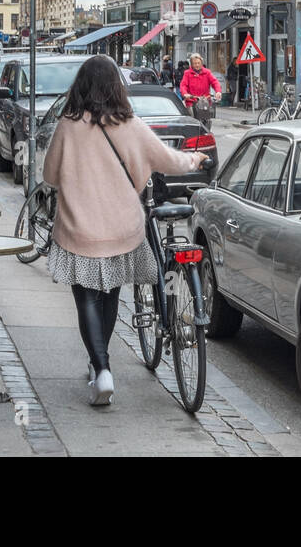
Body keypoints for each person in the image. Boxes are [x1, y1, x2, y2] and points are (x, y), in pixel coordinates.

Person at [41, 55, 207, 405]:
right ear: (117, 85)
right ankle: (101, 364)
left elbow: (49, 176)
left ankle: (101, 369)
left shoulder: (69, 124)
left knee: (86, 296)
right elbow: (168, 159)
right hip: (122, 230)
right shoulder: (129, 123)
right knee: (111, 295)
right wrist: (194, 160)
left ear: (80, 86)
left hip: (78, 230)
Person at [179, 53, 222, 130]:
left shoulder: (207, 72)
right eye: (195, 63)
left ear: (201, 63)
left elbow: (215, 82)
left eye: (198, 63)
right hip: (191, 101)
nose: (197, 65)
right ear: (191, 64)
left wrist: (218, 91)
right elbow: (183, 85)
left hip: (204, 101)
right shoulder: (187, 73)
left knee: (207, 120)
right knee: (192, 120)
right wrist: (185, 93)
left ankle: (206, 133)